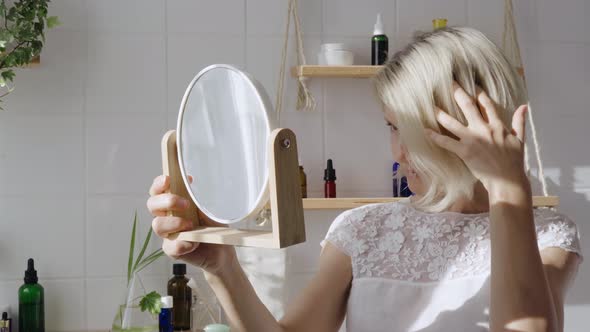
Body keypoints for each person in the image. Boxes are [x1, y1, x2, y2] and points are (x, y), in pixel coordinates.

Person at [147, 27, 582, 332]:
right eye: (390, 128)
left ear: (457, 129)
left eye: (405, 131)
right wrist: (221, 267)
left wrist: (510, 190)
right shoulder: (363, 230)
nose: (396, 152)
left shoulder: (547, 237)